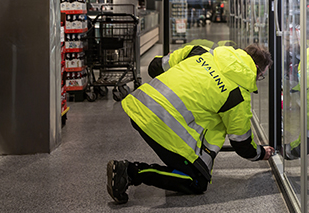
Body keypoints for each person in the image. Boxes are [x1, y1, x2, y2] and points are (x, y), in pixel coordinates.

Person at [106, 42, 274, 204]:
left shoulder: (201, 51)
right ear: (257, 71)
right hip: (162, 126)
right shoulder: (237, 96)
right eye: (261, 76)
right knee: (197, 182)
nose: (259, 78)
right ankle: (130, 172)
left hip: (140, 106)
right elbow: (241, 143)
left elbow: (155, 67)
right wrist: (260, 153)